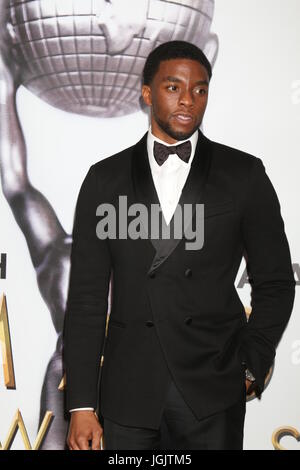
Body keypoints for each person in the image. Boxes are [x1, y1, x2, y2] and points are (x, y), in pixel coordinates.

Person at [63, 40, 295, 450]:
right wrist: (81, 404)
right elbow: (85, 299)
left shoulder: (243, 175)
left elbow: (276, 281)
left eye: (200, 89)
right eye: (173, 87)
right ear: (147, 92)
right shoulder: (105, 180)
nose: (188, 100)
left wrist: (250, 363)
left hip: (212, 393)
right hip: (128, 396)